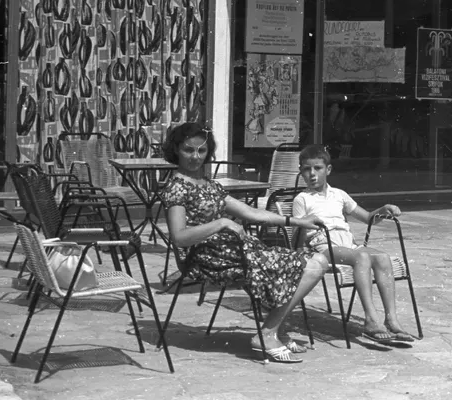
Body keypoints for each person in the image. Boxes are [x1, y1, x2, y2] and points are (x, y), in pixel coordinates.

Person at [160, 122, 329, 364]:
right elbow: (179, 237)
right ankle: (269, 332)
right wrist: (221, 223)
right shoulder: (176, 188)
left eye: (202, 151)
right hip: (209, 257)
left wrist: (297, 221)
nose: (196, 157)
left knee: (318, 261)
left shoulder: (208, 185)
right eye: (189, 150)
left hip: (235, 251)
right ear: (176, 149)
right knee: (311, 266)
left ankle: (274, 328)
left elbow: (251, 213)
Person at [291, 144, 415, 344]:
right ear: (301, 172)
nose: (312, 174)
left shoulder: (339, 194)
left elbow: (367, 218)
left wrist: (383, 209)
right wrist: (306, 228)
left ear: (328, 170)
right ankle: (370, 319)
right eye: (306, 169)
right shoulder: (302, 199)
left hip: (347, 244)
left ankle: (391, 319)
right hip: (324, 246)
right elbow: (298, 232)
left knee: (382, 258)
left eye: (317, 168)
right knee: (362, 257)